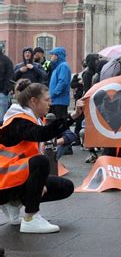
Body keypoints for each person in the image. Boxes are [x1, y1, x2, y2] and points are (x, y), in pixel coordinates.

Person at [0, 79, 83, 233]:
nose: (50, 103)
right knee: (41, 162)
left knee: (65, 187)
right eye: (47, 99)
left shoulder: (31, 118)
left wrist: (38, 183)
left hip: (12, 178)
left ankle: (13, 204)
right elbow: (41, 134)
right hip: (3, 182)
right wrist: (72, 117)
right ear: (33, 101)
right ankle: (30, 218)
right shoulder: (18, 120)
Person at [48, 47, 72, 119]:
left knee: (59, 124)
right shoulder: (58, 66)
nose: (51, 57)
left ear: (58, 56)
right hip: (55, 101)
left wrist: (53, 94)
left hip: (60, 101)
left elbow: (62, 82)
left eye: (53, 55)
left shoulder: (63, 66)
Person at [0, 48, 14, 125]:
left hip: (2, 93)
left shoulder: (6, 60)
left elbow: (10, 76)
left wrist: (5, 90)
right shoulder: (6, 60)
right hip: (3, 92)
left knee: (2, 117)